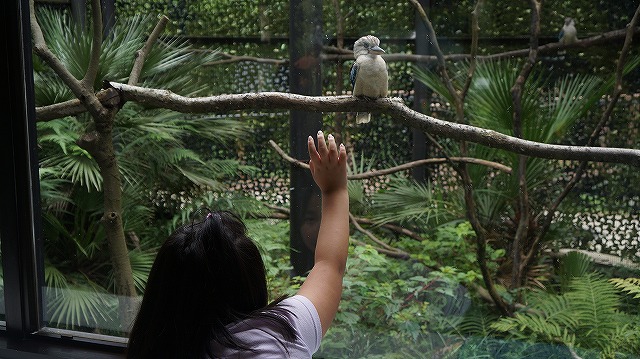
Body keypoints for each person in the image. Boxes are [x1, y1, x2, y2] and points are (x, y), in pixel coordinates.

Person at [126, 130, 349, 358]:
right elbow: (330, 265)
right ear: (252, 284)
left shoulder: (153, 348)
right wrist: (335, 189)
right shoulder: (277, 336)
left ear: (159, 297)